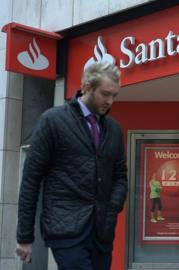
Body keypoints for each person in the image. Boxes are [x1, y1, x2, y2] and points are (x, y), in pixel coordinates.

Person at [15, 61, 128, 270]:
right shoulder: (53, 121)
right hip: (65, 229)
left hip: (102, 231)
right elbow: (31, 180)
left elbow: (121, 175)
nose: (110, 101)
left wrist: (112, 207)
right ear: (86, 87)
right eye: (105, 94)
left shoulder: (114, 129)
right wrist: (24, 236)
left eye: (114, 95)